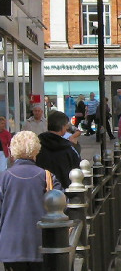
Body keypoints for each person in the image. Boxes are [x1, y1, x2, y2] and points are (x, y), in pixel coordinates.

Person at [0, 131, 62, 271]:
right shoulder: (47, 177)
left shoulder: (3, 178)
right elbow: (62, 207)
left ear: (13, 150)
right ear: (36, 150)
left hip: (11, 246)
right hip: (41, 243)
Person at [36, 111, 80, 189]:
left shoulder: (37, 145)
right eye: (66, 126)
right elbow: (77, 169)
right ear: (62, 127)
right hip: (64, 191)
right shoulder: (68, 148)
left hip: (41, 189)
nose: (67, 128)